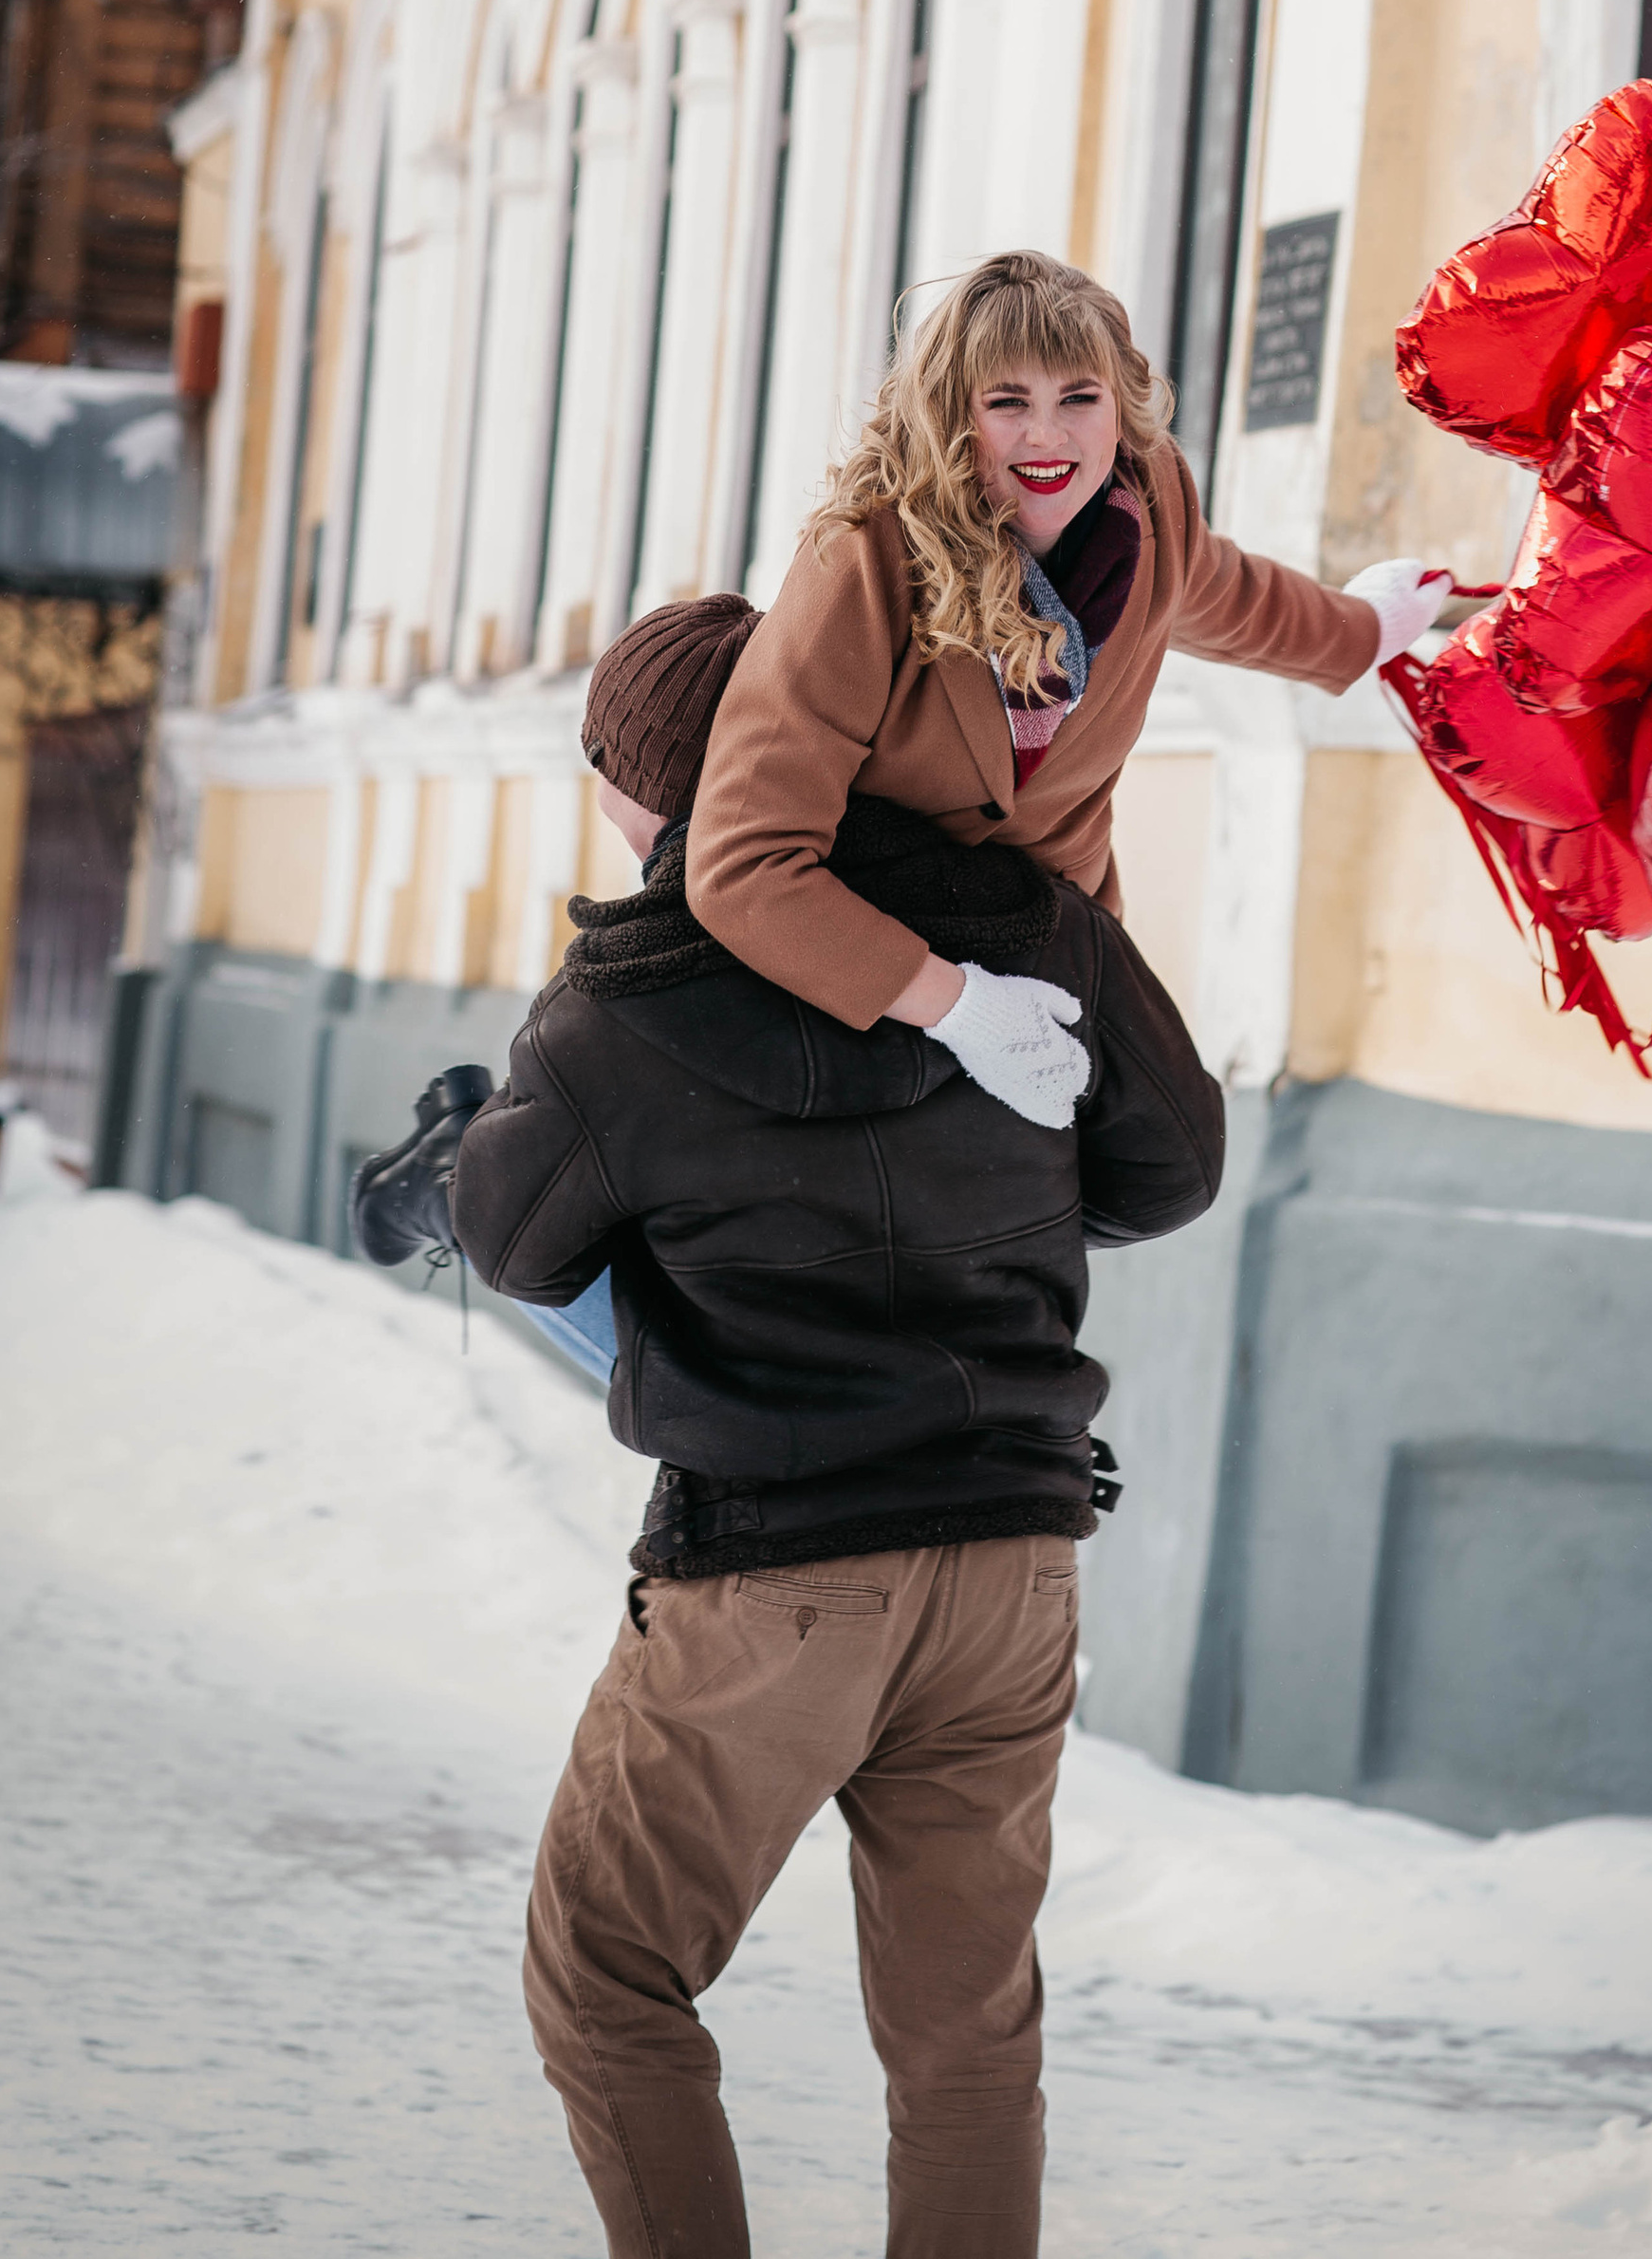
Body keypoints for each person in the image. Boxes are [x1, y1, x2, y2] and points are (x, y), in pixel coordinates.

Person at [356, 589, 1233, 2259]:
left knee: (607, 1974)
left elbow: (524, 1240)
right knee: (967, 2037)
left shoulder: (623, 1005)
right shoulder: (1024, 918)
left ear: (637, 789)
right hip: (1012, 1563)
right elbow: (1174, 1163)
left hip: (777, 1586)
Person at [685, 245, 1445, 1059]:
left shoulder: (1150, 508)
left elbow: (1226, 593)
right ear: (950, 412)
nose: (1047, 435)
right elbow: (743, 864)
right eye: (1008, 401)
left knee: (1171, 1164)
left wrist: (1367, 627)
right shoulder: (864, 561)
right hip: (872, 973)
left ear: (1121, 409)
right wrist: (958, 1007)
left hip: (1052, 939)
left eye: (1079, 397)